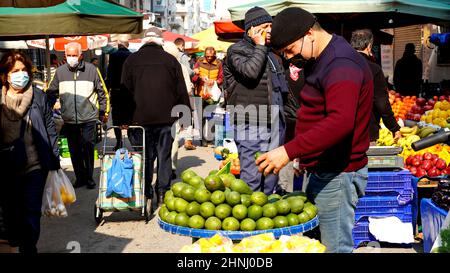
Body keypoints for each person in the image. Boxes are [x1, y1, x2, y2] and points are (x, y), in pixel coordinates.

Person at [258, 7, 374, 253]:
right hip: (321, 168)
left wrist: (289, 151)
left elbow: (340, 121)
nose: (290, 58)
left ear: (309, 33)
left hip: (338, 174)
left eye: (290, 50)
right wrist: (304, 154)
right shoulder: (321, 58)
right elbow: (315, 112)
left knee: (334, 248)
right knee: (314, 246)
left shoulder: (341, 63)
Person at [121, 27, 190, 208]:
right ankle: (162, 192)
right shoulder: (171, 61)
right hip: (166, 119)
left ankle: (146, 192)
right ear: (161, 41)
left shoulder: (131, 60)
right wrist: (184, 118)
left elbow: (124, 92)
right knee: (164, 156)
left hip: (138, 120)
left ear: (144, 40)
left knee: (144, 157)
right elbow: (181, 90)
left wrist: (123, 119)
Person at [0, 51, 60, 253]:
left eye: (24, 70)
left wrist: (54, 159)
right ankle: (20, 241)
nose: (21, 74)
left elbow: (50, 127)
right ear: (5, 75)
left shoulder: (38, 96)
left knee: (31, 213)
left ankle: (29, 248)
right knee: (12, 213)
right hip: (7, 167)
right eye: (15, 71)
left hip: (35, 165)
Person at [224, 6, 288, 195]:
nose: (270, 30)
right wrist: (260, 45)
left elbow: (281, 89)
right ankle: (249, 222)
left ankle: (266, 219)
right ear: (252, 29)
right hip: (250, 120)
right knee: (252, 176)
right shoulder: (236, 51)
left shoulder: (272, 55)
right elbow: (250, 73)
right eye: (266, 26)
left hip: (274, 121)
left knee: (271, 175)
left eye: (271, 26)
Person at [47, 42, 110, 189]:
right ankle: (79, 177)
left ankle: (89, 177)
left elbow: (103, 92)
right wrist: (46, 109)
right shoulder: (60, 72)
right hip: (69, 118)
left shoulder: (92, 70)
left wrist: (103, 112)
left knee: (87, 147)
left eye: (74, 55)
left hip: (88, 117)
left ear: (80, 55)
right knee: (74, 150)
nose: (71, 58)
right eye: (68, 55)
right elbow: (50, 92)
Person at [351, 29, 401, 144]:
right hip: (366, 132)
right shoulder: (373, 69)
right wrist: (394, 127)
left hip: (340, 131)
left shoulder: (339, 67)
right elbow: (382, 103)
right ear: (369, 46)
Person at [164, 42, 196, 179]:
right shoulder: (181, 67)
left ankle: (160, 165)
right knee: (174, 137)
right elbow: (188, 89)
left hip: (157, 108)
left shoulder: (157, 66)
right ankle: (171, 167)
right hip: (176, 107)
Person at [192, 46, 223, 147]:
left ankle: (211, 138)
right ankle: (202, 139)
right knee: (200, 118)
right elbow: (193, 77)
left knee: (212, 117)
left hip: (212, 96)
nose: (209, 58)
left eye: (211, 56)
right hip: (199, 93)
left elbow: (221, 78)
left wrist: (214, 82)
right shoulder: (199, 62)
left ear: (214, 55)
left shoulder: (219, 63)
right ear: (205, 55)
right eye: (207, 56)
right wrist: (199, 77)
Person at [106, 36, 133, 150]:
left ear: (118, 45)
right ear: (128, 45)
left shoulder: (114, 56)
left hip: (116, 91)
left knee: (116, 118)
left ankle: (119, 142)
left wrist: (108, 88)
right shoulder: (132, 56)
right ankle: (133, 140)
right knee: (130, 117)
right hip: (130, 92)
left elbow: (110, 73)